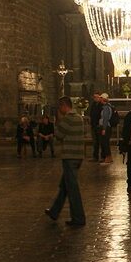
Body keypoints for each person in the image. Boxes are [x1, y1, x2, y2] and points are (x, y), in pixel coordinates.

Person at [45, 96, 86, 226]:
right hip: (78, 155)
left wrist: (58, 119)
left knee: (72, 189)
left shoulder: (67, 119)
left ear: (63, 106)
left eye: (60, 107)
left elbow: (58, 135)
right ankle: (54, 211)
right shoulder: (79, 117)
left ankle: (79, 218)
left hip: (70, 157)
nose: (59, 109)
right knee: (65, 186)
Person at [98, 93, 114, 165]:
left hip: (106, 127)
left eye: (101, 98)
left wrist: (104, 129)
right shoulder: (105, 107)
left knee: (105, 143)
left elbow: (105, 119)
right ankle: (106, 157)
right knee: (104, 143)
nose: (100, 100)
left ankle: (108, 157)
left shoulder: (106, 108)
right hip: (105, 126)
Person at [88, 92, 103, 162]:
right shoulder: (93, 104)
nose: (95, 98)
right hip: (93, 125)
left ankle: (103, 157)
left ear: (99, 98)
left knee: (101, 142)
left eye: (97, 97)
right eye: (94, 97)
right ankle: (95, 157)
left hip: (99, 126)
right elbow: (91, 113)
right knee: (95, 142)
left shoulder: (101, 105)